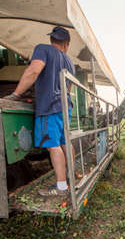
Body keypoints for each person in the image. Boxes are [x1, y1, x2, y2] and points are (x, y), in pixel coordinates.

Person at [5, 26, 75, 196]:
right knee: (65, 141)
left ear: (52, 39)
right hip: (65, 108)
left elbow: (34, 70)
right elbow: (69, 87)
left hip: (49, 107)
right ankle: (71, 177)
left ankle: (61, 187)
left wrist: (15, 95)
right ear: (66, 44)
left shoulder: (43, 49)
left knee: (52, 146)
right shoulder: (69, 62)